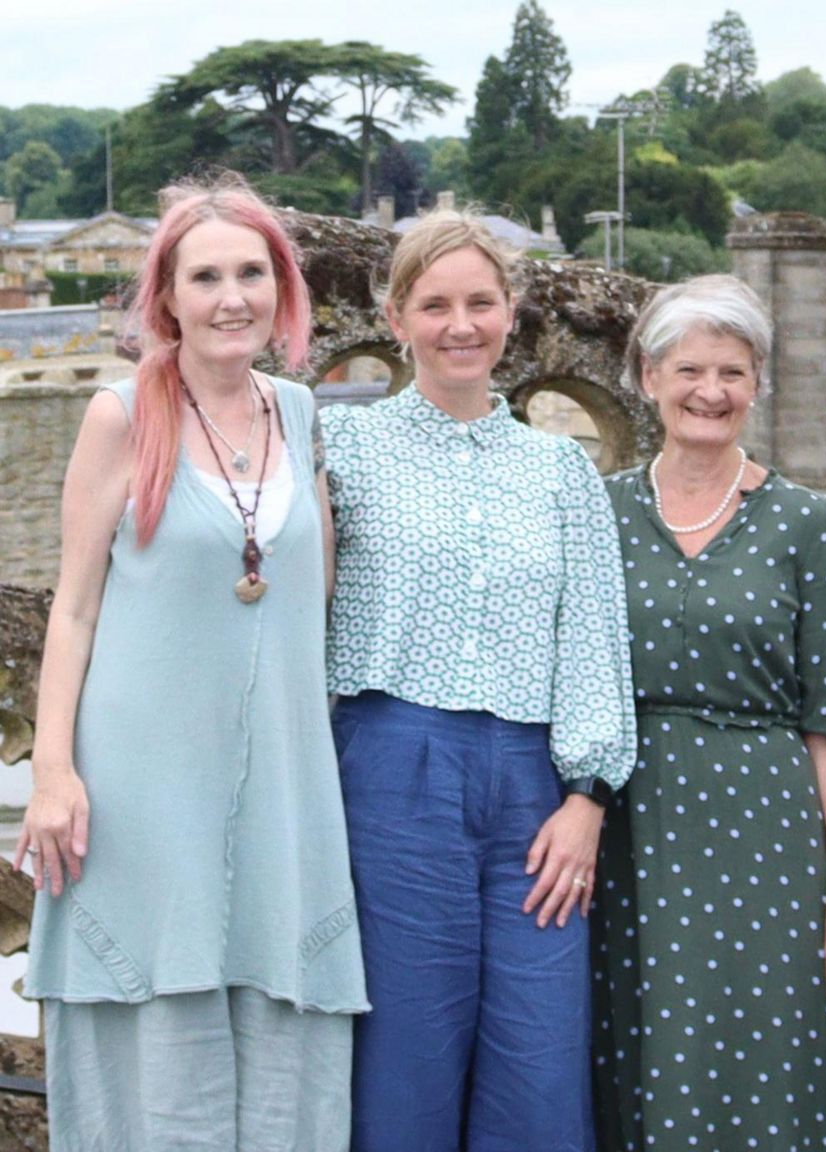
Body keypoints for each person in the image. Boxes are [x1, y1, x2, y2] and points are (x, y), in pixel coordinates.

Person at [17, 175, 366, 1150]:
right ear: (165, 297)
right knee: (156, 1052)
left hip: (282, 791)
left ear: (283, 288)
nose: (231, 298)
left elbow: (318, 595)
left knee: (279, 1035)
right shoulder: (120, 417)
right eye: (204, 276)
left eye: (251, 273)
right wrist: (52, 773)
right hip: (143, 787)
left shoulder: (300, 414)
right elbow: (75, 610)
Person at [324, 211, 635, 1152]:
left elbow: (593, 635)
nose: (461, 325)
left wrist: (587, 797)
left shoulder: (559, 472)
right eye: (436, 305)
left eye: (481, 303)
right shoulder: (343, 453)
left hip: (536, 792)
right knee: (407, 1051)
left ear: (513, 315)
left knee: (541, 1060)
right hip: (392, 769)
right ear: (396, 316)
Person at [588, 275, 826, 1150]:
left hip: (766, 831)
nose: (710, 392)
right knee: (642, 1050)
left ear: (758, 382)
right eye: (689, 369)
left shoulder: (806, 523)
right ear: (647, 377)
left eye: (732, 372)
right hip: (627, 826)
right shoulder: (596, 510)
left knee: (771, 1054)